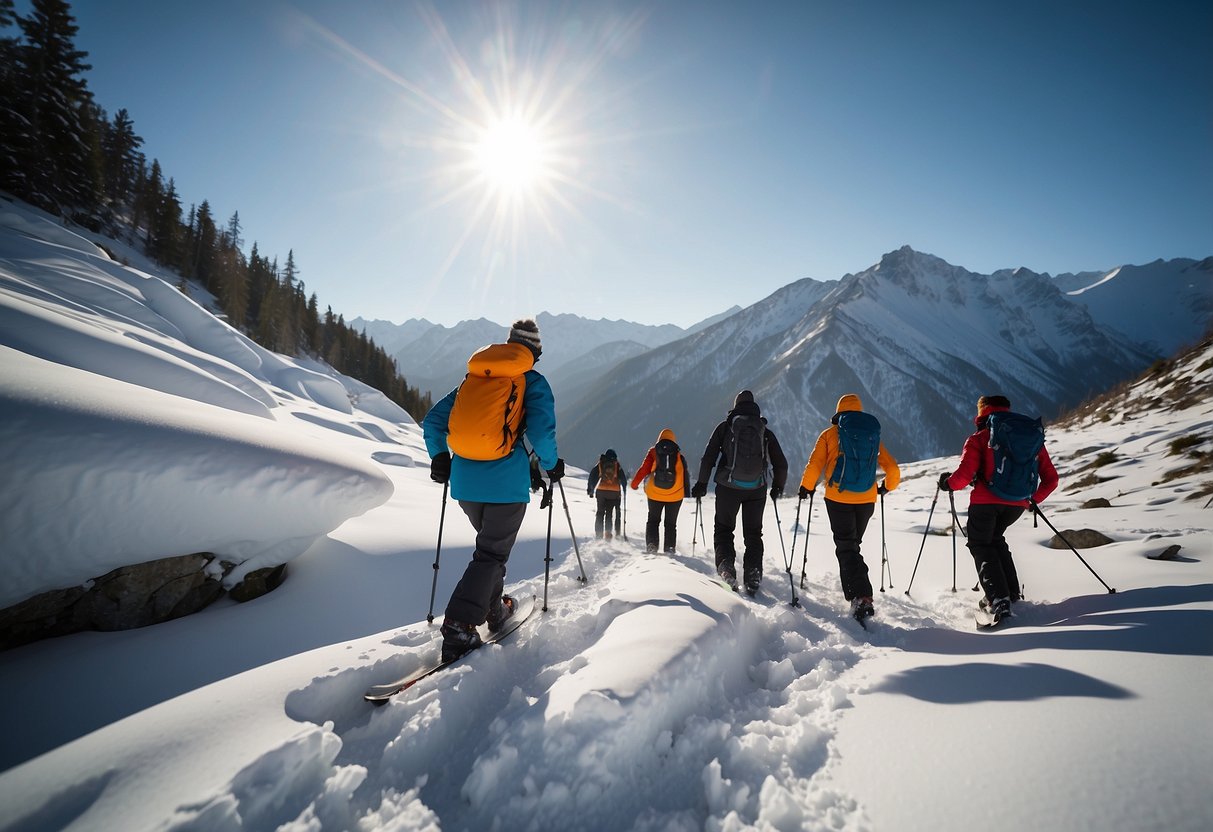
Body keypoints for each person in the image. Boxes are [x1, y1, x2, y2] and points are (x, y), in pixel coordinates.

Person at [422, 318, 562, 662]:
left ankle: (495, 609)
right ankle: (459, 624)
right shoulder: (531, 381)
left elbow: (433, 422)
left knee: (490, 550)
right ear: (535, 351)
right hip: (506, 485)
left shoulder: (475, 378)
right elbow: (543, 434)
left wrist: (440, 456)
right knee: (492, 554)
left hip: (466, 485)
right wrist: (552, 464)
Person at [938, 395, 1058, 624]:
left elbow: (964, 475)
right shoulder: (1029, 437)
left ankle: (998, 599)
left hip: (985, 503)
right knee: (995, 540)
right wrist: (1031, 499)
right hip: (1017, 505)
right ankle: (1010, 593)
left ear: (981, 412)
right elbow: (1051, 480)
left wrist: (947, 484)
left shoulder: (980, 438)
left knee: (981, 544)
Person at [798, 393, 900, 622]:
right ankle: (859, 594)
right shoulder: (872, 435)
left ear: (839, 413)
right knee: (852, 545)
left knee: (846, 548)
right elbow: (892, 468)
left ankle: (861, 596)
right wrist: (886, 488)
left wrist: (806, 487)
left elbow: (815, 464)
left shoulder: (830, 434)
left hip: (838, 499)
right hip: (866, 500)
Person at [691, 390, 788, 594]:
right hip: (756, 488)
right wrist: (778, 487)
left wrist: (701, 483)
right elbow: (781, 463)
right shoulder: (764, 430)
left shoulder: (726, 427)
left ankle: (726, 569)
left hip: (728, 488)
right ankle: (753, 576)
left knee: (724, 529)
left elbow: (708, 458)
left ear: (735, 406)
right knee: (753, 534)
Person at [630, 429, 691, 554]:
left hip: (655, 493)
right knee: (670, 524)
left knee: (653, 520)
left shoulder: (653, 451)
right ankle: (669, 549)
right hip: (675, 496)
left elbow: (644, 470)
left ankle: (652, 546)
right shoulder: (679, 454)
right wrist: (687, 493)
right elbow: (685, 475)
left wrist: (634, 484)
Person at [587, 448, 627, 540]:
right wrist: (624, 489)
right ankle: (608, 534)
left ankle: (599, 534)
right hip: (614, 492)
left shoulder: (601, 463)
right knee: (609, 513)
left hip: (601, 492)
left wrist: (590, 489)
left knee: (600, 513)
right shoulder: (616, 465)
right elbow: (623, 478)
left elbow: (592, 476)